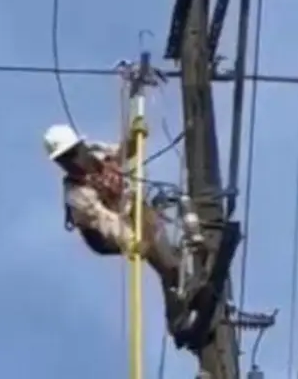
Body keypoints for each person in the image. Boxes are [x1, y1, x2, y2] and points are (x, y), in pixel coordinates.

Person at [42, 124, 190, 336]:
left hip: (125, 206)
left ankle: (177, 271)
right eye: (64, 160)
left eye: (73, 153)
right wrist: (133, 241)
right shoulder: (77, 195)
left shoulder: (98, 152)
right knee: (156, 248)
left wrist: (133, 139)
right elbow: (107, 222)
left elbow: (122, 152)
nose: (73, 162)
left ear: (81, 145)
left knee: (157, 236)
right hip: (101, 235)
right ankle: (177, 314)